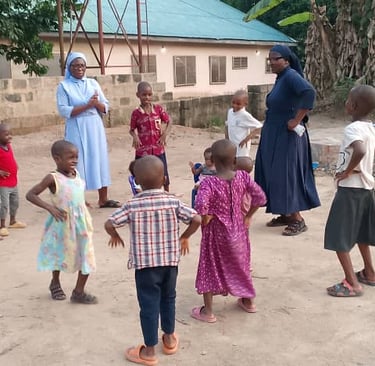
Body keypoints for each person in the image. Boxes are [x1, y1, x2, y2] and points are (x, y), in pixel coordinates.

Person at [104, 155, 201, 364]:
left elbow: (110, 223)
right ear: (164, 178)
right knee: (169, 299)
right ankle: (168, 338)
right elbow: (196, 218)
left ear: (137, 181)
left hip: (146, 267)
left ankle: (149, 351)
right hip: (170, 263)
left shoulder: (132, 204)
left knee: (148, 305)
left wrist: (115, 235)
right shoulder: (172, 200)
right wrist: (184, 237)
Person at [191, 139, 266, 323]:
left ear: (213, 162)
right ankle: (248, 302)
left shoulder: (209, 183)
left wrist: (207, 216)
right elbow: (261, 197)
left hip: (215, 235)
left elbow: (200, 205)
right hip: (239, 232)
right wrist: (248, 215)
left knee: (209, 267)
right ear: (234, 161)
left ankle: (208, 312)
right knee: (242, 264)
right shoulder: (243, 177)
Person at [254, 44, 320, 236]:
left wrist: (296, 120)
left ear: (286, 60)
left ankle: (298, 219)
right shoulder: (282, 78)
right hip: (274, 133)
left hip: (286, 136)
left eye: (276, 58)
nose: (272, 62)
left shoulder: (291, 76)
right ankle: (285, 213)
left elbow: (309, 93)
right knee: (272, 172)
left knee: (285, 174)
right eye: (270, 59)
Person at [26, 140, 97, 304]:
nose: (75, 160)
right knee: (59, 253)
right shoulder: (53, 178)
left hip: (81, 223)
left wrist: (82, 202)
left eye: (76, 157)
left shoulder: (76, 173)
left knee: (86, 254)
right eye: (70, 157)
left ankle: (78, 291)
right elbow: (31, 194)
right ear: (57, 159)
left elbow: (75, 191)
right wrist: (50, 208)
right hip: (62, 223)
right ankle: (55, 282)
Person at [325, 85, 375, 297]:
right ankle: (370, 273)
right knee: (362, 234)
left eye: (347, 99)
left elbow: (360, 150)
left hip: (350, 190)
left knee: (338, 236)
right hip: (366, 188)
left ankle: (352, 284)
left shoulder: (352, 129)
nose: (346, 102)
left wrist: (346, 171)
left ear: (352, 106)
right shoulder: (371, 128)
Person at [56, 51, 119, 208]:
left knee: (99, 159)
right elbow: (64, 111)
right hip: (76, 126)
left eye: (82, 65)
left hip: (94, 126)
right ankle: (78, 199)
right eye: (75, 65)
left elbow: (105, 106)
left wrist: (96, 104)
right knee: (77, 161)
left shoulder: (93, 84)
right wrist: (87, 105)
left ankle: (103, 198)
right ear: (69, 67)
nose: (79, 68)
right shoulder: (64, 86)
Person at [129, 81, 172, 191]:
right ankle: (141, 195)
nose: (147, 97)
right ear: (138, 95)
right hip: (143, 149)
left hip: (158, 148)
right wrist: (135, 137)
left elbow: (169, 121)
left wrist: (164, 135)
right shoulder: (136, 113)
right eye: (144, 95)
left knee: (163, 173)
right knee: (141, 173)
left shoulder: (158, 109)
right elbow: (132, 130)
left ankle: (167, 194)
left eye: (149, 94)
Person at [0, 123, 26, 238]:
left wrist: (15, 164)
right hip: (3, 183)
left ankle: (13, 221)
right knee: (4, 205)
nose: (10, 136)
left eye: (10, 134)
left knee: (15, 202)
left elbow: (11, 157)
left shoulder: (8, 146)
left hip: (13, 181)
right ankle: (2, 226)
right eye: (6, 134)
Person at [225, 89, 262, 157]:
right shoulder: (230, 112)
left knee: (241, 164)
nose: (235, 105)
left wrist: (246, 139)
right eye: (233, 102)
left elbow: (260, 127)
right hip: (232, 145)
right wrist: (226, 139)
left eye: (238, 104)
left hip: (241, 147)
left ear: (245, 104)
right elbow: (227, 125)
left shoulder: (245, 115)